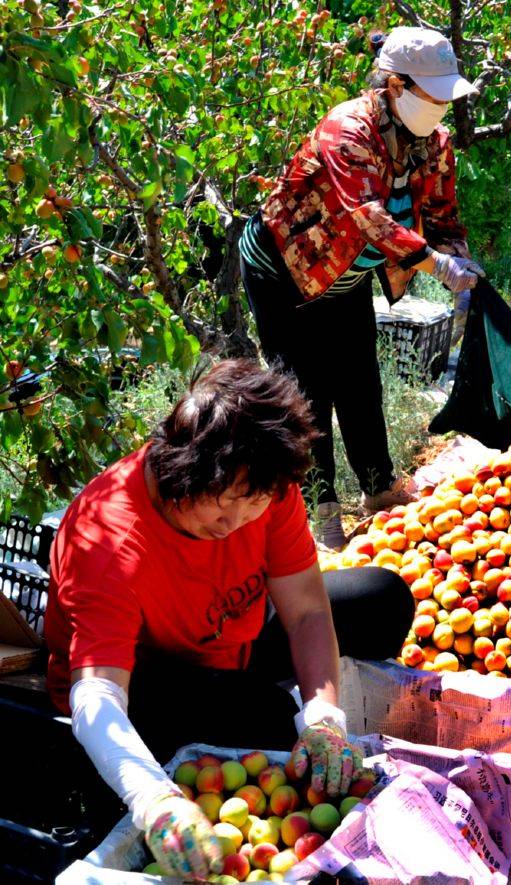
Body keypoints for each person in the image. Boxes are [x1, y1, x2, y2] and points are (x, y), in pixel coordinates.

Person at [45, 360, 415, 879]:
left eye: (253, 510)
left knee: (383, 598)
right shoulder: (110, 544)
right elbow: (96, 697)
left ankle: (263, 707)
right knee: (263, 716)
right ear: (181, 476)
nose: (237, 526)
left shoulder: (262, 480)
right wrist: (151, 797)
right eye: (222, 513)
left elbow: (307, 610)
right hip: (148, 677)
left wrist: (325, 717)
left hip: (233, 638)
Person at [240, 25, 484, 549]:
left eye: (447, 97)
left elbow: (442, 214)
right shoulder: (346, 129)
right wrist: (437, 268)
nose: (442, 108)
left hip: (343, 271)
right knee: (303, 391)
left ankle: (377, 488)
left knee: (358, 376)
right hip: (283, 267)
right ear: (395, 86)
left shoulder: (435, 142)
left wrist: (460, 261)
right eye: (432, 96)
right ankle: (319, 506)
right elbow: (367, 217)